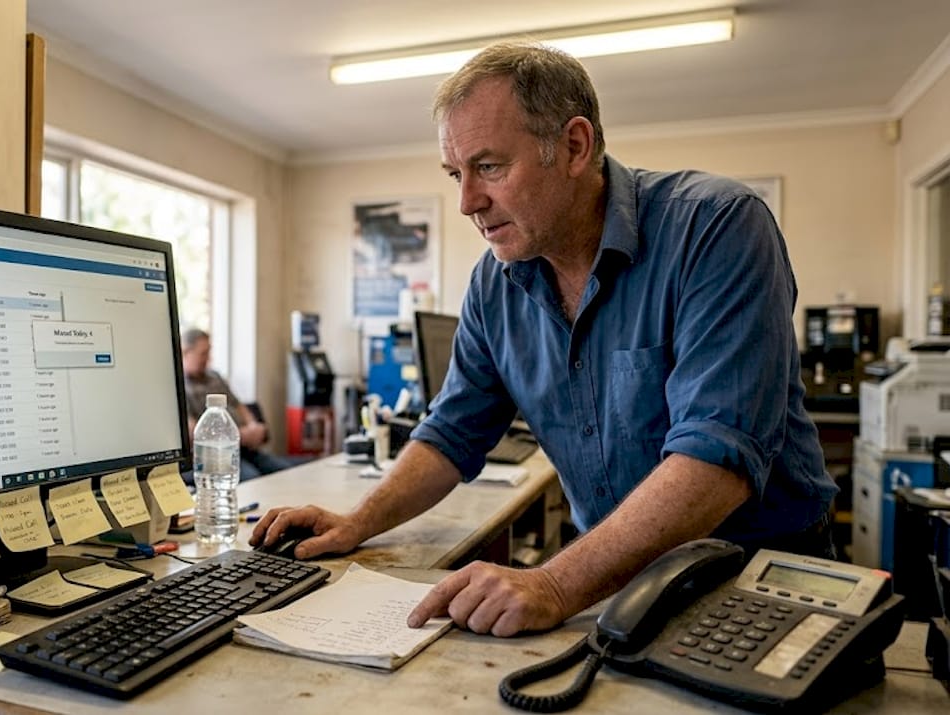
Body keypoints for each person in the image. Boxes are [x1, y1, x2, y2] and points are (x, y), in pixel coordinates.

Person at [251, 42, 838, 638]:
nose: (466, 202)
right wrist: (357, 521)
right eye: (456, 174)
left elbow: (716, 459)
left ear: (574, 147)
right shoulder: (495, 281)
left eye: (489, 167)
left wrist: (554, 583)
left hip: (758, 577)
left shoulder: (716, 226)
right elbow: (453, 432)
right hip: (617, 576)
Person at [180, 327, 300, 482]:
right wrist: (240, 436)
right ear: (186, 352)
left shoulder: (214, 376)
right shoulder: (179, 387)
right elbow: (194, 431)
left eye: (209, 352)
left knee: (287, 472)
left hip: (244, 447)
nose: (208, 358)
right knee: (253, 480)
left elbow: (238, 405)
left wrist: (253, 425)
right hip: (216, 456)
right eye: (203, 353)